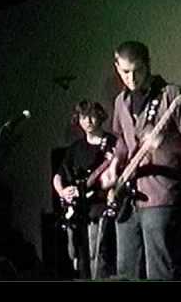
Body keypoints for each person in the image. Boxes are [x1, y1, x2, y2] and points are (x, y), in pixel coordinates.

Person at [101, 41, 181, 280]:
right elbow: (121, 142)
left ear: (148, 65)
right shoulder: (120, 102)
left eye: (137, 70)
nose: (131, 78)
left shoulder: (172, 95)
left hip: (162, 197)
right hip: (128, 198)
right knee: (125, 272)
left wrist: (168, 142)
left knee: (160, 271)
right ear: (116, 66)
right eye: (125, 71)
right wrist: (113, 167)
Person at [53, 100, 117, 279]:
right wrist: (63, 192)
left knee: (100, 258)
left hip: (102, 208)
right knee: (79, 258)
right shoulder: (75, 148)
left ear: (100, 116)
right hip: (78, 212)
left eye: (91, 116)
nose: (87, 121)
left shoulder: (111, 142)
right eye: (83, 117)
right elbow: (58, 176)